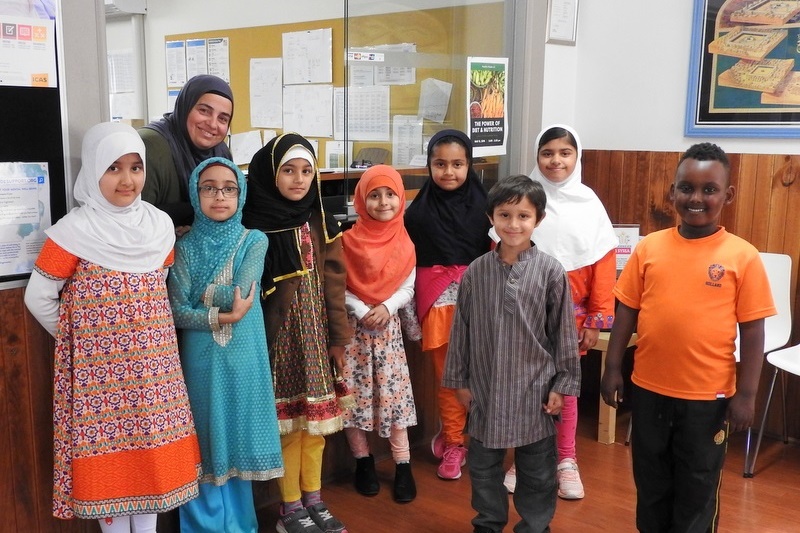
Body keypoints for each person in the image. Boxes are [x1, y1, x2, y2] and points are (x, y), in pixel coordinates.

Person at [24, 122, 201, 533]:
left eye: (136, 167)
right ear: (94, 172)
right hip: (102, 384)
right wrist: (83, 345)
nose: (127, 179)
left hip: (156, 376)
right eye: (114, 168)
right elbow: (38, 298)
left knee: (153, 473)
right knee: (113, 479)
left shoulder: (158, 228)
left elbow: (160, 290)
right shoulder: (73, 233)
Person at [601, 142, 776, 533]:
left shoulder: (742, 256)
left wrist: (746, 395)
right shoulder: (649, 248)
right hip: (648, 391)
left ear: (727, 195)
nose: (696, 198)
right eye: (686, 188)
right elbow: (626, 310)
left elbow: (753, 330)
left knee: (697, 489)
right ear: (672, 191)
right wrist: (613, 367)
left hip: (707, 399)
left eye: (709, 189)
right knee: (651, 483)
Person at [444, 174, 581, 533]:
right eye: (505, 215)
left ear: (539, 219)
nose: (514, 224)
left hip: (534, 392)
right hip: (487, 390)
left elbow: (563, 336)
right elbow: (462, 331)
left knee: (537, 473)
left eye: (523, 216)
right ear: (491, 218)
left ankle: (535, 526)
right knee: (484, 468)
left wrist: (562, 385)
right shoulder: (476, 272)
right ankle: (488, 523)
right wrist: (459, 380)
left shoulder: (551, 272)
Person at [243, 133, 354, 533]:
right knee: (289, 428)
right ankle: (290, 509)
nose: (298, 179)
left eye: (307, 171)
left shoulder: (317, 217)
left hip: (315, 336)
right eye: (288, 170)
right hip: (279, 342)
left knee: (316, 428)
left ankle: (314, 498)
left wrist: (338, 338)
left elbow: (334, 281)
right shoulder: (254, 220)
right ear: (271, 173)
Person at [167, 157, 285, 532]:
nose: (220, 196)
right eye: (209, 187)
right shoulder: (183, 246)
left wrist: (200, 298)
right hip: (200, 361)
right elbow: (176, 310)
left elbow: (241, 294)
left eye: (229, 188)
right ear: (195, 193)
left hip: (243, 357)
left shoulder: (254, 239)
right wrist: (217, 313)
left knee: (236, 437)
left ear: (241, 193)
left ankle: (240, 527)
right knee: (203, 441)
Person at [501, 124, 617, 499]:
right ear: (537, 156)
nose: (556, 160)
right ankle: (525, 458)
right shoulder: (525, 201)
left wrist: (598, 320)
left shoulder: (590, 204)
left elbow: (603, 264)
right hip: (525, 317)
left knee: (564, 388)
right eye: (547, 152)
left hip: (574, 317)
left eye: (564, 153)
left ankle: (566, 460)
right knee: (527, 386)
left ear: (576, 156)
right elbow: (504, 258)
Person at [404, 128, 492, 480]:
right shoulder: (417, 212)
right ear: (429, 165)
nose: (449, 172)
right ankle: (454, 442)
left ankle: (486, 440)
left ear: (470, 165)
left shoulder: (488, 208)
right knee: (449, 378)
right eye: (440, 164)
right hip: (438, 302)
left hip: (481, 301)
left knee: (485, 374)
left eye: (458, 164)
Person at [341, 164, 418, 503]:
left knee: (394, 399)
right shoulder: (346, 241)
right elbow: (336, 285)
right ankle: (364, 462)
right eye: (374, 195)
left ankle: (403, 466)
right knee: (353, 400)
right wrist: (361, 308)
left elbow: (408, 285)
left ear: (400, 198)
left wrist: (387, 307)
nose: (383, 202)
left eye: (390, 194)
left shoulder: (405, 239)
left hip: (388, 334)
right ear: (361, 199)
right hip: (355, 334)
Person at [140, 74, 234, 234]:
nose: (212, 124)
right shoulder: (150, 145)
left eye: (223, 119)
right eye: (204, 111)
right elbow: (135, 219)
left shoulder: (220, 152)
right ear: (185, 106)